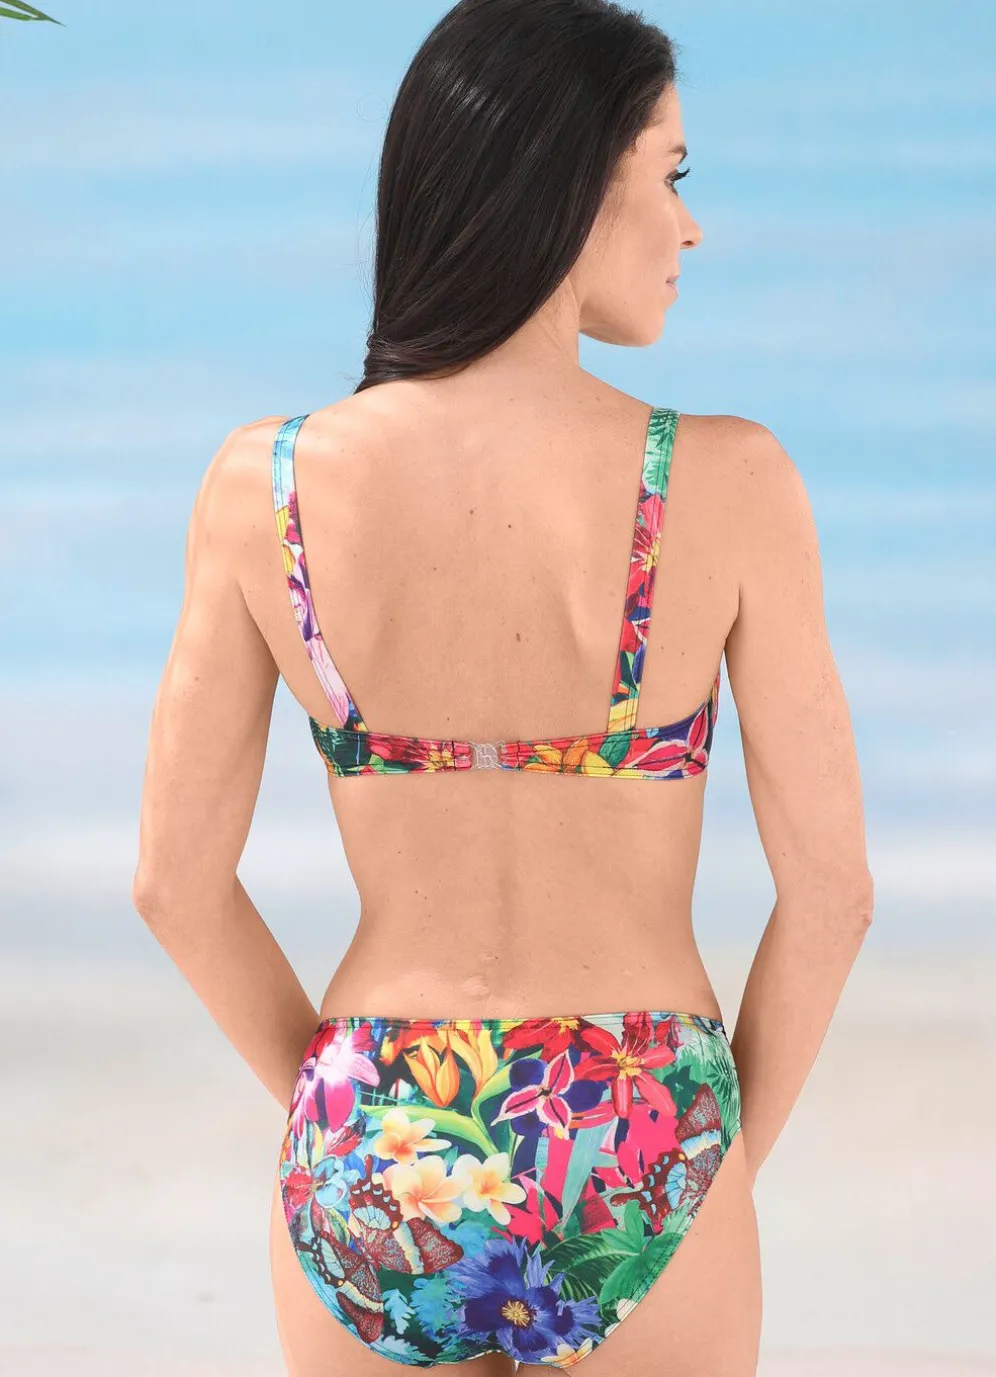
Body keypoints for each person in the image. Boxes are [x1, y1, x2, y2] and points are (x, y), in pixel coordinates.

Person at [132, 1, 874, 1372]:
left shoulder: (263, 485)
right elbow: (832, 897)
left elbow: (174, 887)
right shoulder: (729, 480)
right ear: (571, 182)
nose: (691, 226)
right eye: (671, 173)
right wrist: (709, 1176)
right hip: (640, 1118)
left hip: (378, 1121)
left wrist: (340, 1112)